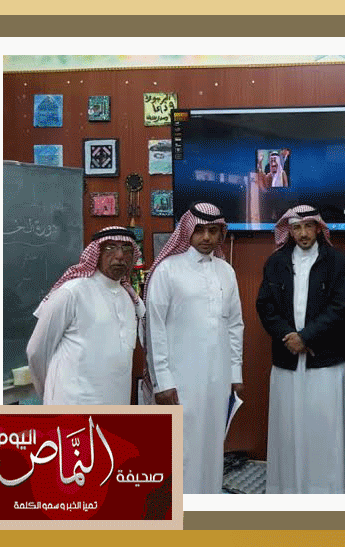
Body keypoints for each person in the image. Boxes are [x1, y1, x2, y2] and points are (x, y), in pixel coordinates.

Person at [144, 202, 245, 494]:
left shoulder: (226, 271)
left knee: (212, 446)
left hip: (218, 378)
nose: (206, 237)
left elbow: (235, 325)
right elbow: (154, 328)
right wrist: (163, 381)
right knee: (182, 449)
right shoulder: (168, 270)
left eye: (213, 231)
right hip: (180, 380)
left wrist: (235, 373)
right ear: (187, 231)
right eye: (199, 230)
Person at [256, 205, 345, 494]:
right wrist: (288, 336)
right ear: (289, 231)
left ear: (318, 228)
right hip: (287, 359)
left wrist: (306, 337)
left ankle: (327, 492)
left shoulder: (339, 261)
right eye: (296, 228)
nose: (302, 234)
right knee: (288, 430)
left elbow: (338, 308)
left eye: (308, 227)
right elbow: (265, 306)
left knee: (325, 430)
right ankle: (289, 491)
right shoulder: (276, 262)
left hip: (325, 361)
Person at [27, 226, 144, 404]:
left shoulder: (128, 298)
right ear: (96, 254)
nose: (120, 256)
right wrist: (48, 392)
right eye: (110, 248)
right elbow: (36, 351)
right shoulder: (71, 292)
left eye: (126, 249)